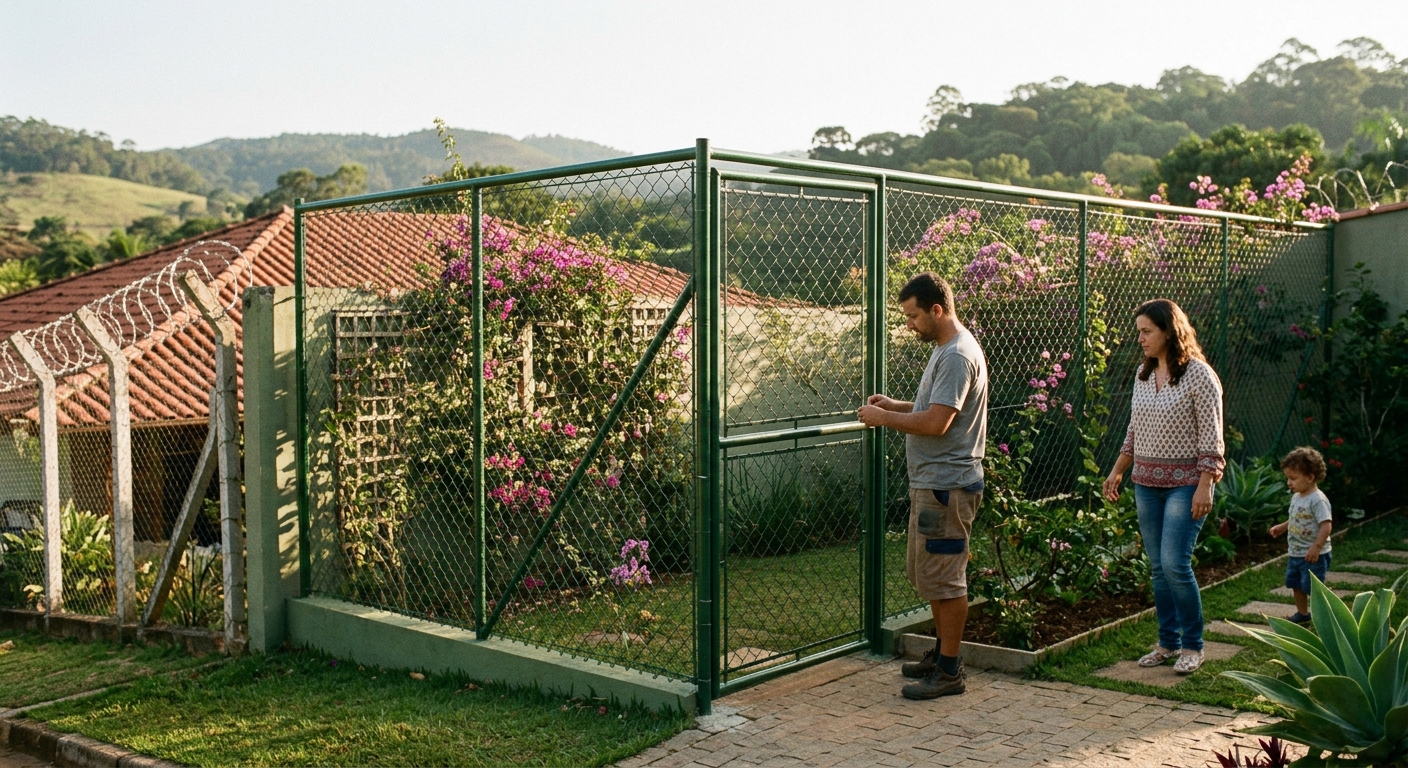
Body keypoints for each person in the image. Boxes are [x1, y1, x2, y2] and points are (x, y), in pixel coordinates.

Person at [858, 272, 988, 700]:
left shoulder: (955, 356)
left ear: (937, 310)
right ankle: (942, 654)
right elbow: (931, 408)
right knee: (929, 575)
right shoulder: (944, 348)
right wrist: (894, 405)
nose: (909, 324)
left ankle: (950, 671)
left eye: (914, 316)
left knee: (945, 578)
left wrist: (885, 419)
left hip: (947, 487)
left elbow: (937, 422)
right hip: (934, 485)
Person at [1103, 298, 1224, 675]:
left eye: (1146, 331)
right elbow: (1135, 430)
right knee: (1157, 567)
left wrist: (1206, 485)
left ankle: (1193, 645)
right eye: (1138, 331)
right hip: (1146, 484)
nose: (1139, 338)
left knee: (1175, 563)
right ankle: (1167, 643)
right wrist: (1118, 469)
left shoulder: (1200, 376)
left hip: (1186, 485)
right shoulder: (1144, 375)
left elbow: (1212, 437)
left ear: (1169, 332)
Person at [1269, 447, 1332, 626]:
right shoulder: (1297, 497)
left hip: (1314, 555)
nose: (1289, 482)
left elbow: (1326, 525)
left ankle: (1327, 615)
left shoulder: (1317, 500)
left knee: (1312, 587)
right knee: (1295, 584)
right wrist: (1282, 528)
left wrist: (1317, 547)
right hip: (1296, 553)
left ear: (1310, 477)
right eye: (1288, 478)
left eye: (1293, 478)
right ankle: (1303, 614)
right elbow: (1296, 519)